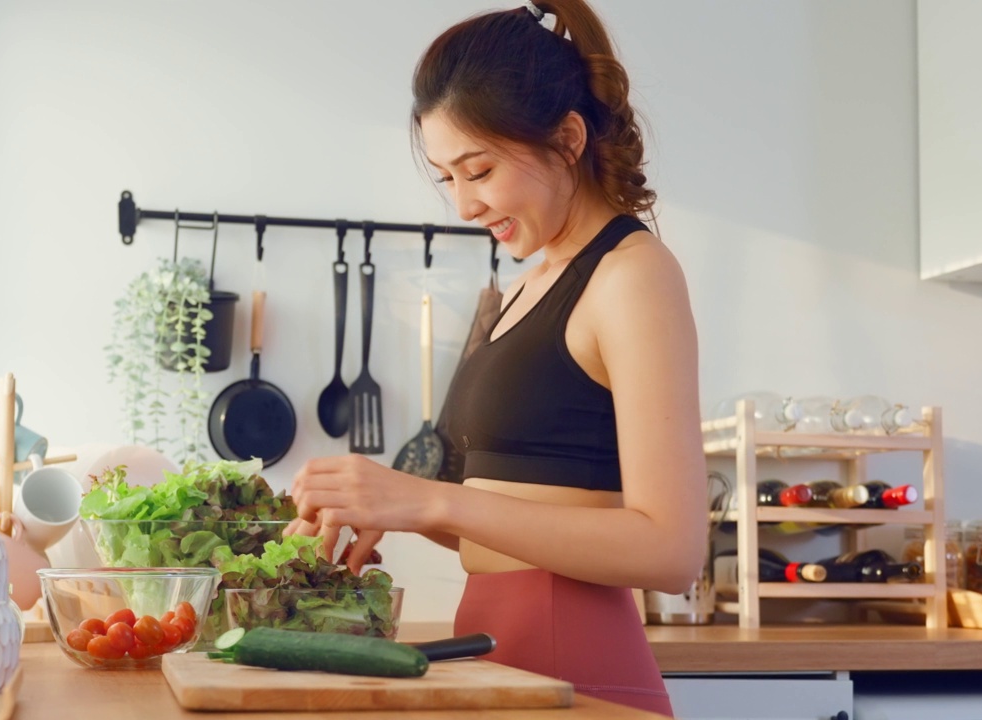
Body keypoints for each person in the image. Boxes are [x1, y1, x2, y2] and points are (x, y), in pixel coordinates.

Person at [287, 1, 707, 714]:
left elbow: (670, 550)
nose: (463, 205)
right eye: (447, 178)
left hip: (581, 675)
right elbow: (516, 519)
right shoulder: (522, 288)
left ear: (568, 138)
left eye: (477, 170)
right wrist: (395, 507)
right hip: (500, 661)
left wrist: (430, 497)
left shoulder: (633, 274)